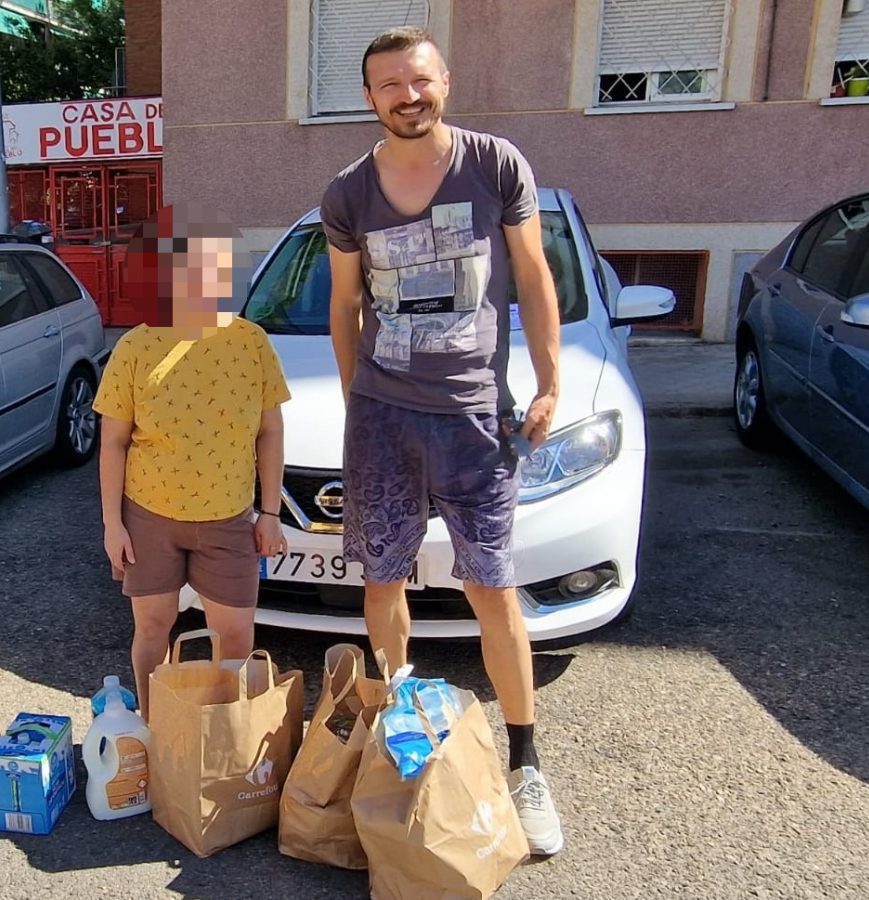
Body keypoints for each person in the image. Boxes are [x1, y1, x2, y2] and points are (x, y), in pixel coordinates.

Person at [321, 28, 565, 855]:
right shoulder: (348, 193)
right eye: (389, 84)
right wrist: (359, 401)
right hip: (384, 422)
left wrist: (550, 381)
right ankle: (399, 738)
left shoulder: (495, 165)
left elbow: (533, 274)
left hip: (475, 419)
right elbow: (345, 304)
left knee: (492, 590)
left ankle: (527, 764)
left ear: (445, 81)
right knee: (382, 583)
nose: (407, 95)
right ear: (369, 98)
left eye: (418, 79)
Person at [94, 204, 291, 721]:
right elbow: (113, 443)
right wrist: (113, 524)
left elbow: (270, 431)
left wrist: (270, 513)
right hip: (149, 516)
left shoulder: (251, 343)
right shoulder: (135, 347)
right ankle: (156, 728)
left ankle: (224, 733)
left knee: (236, 636)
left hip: (228, 518)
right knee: (152, 629)